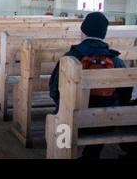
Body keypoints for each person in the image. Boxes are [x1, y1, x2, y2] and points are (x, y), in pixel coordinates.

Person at [48, 11, 132, 159]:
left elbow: (54, 90)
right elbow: (126, 94)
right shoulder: (117, 61)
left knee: (59, 117)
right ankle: (91, 155)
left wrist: (63, 106)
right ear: (103, 34)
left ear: (83, 32)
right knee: (105, 113)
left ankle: (61, 154)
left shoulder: (70, 58)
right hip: (107, 121)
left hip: (72, 120)